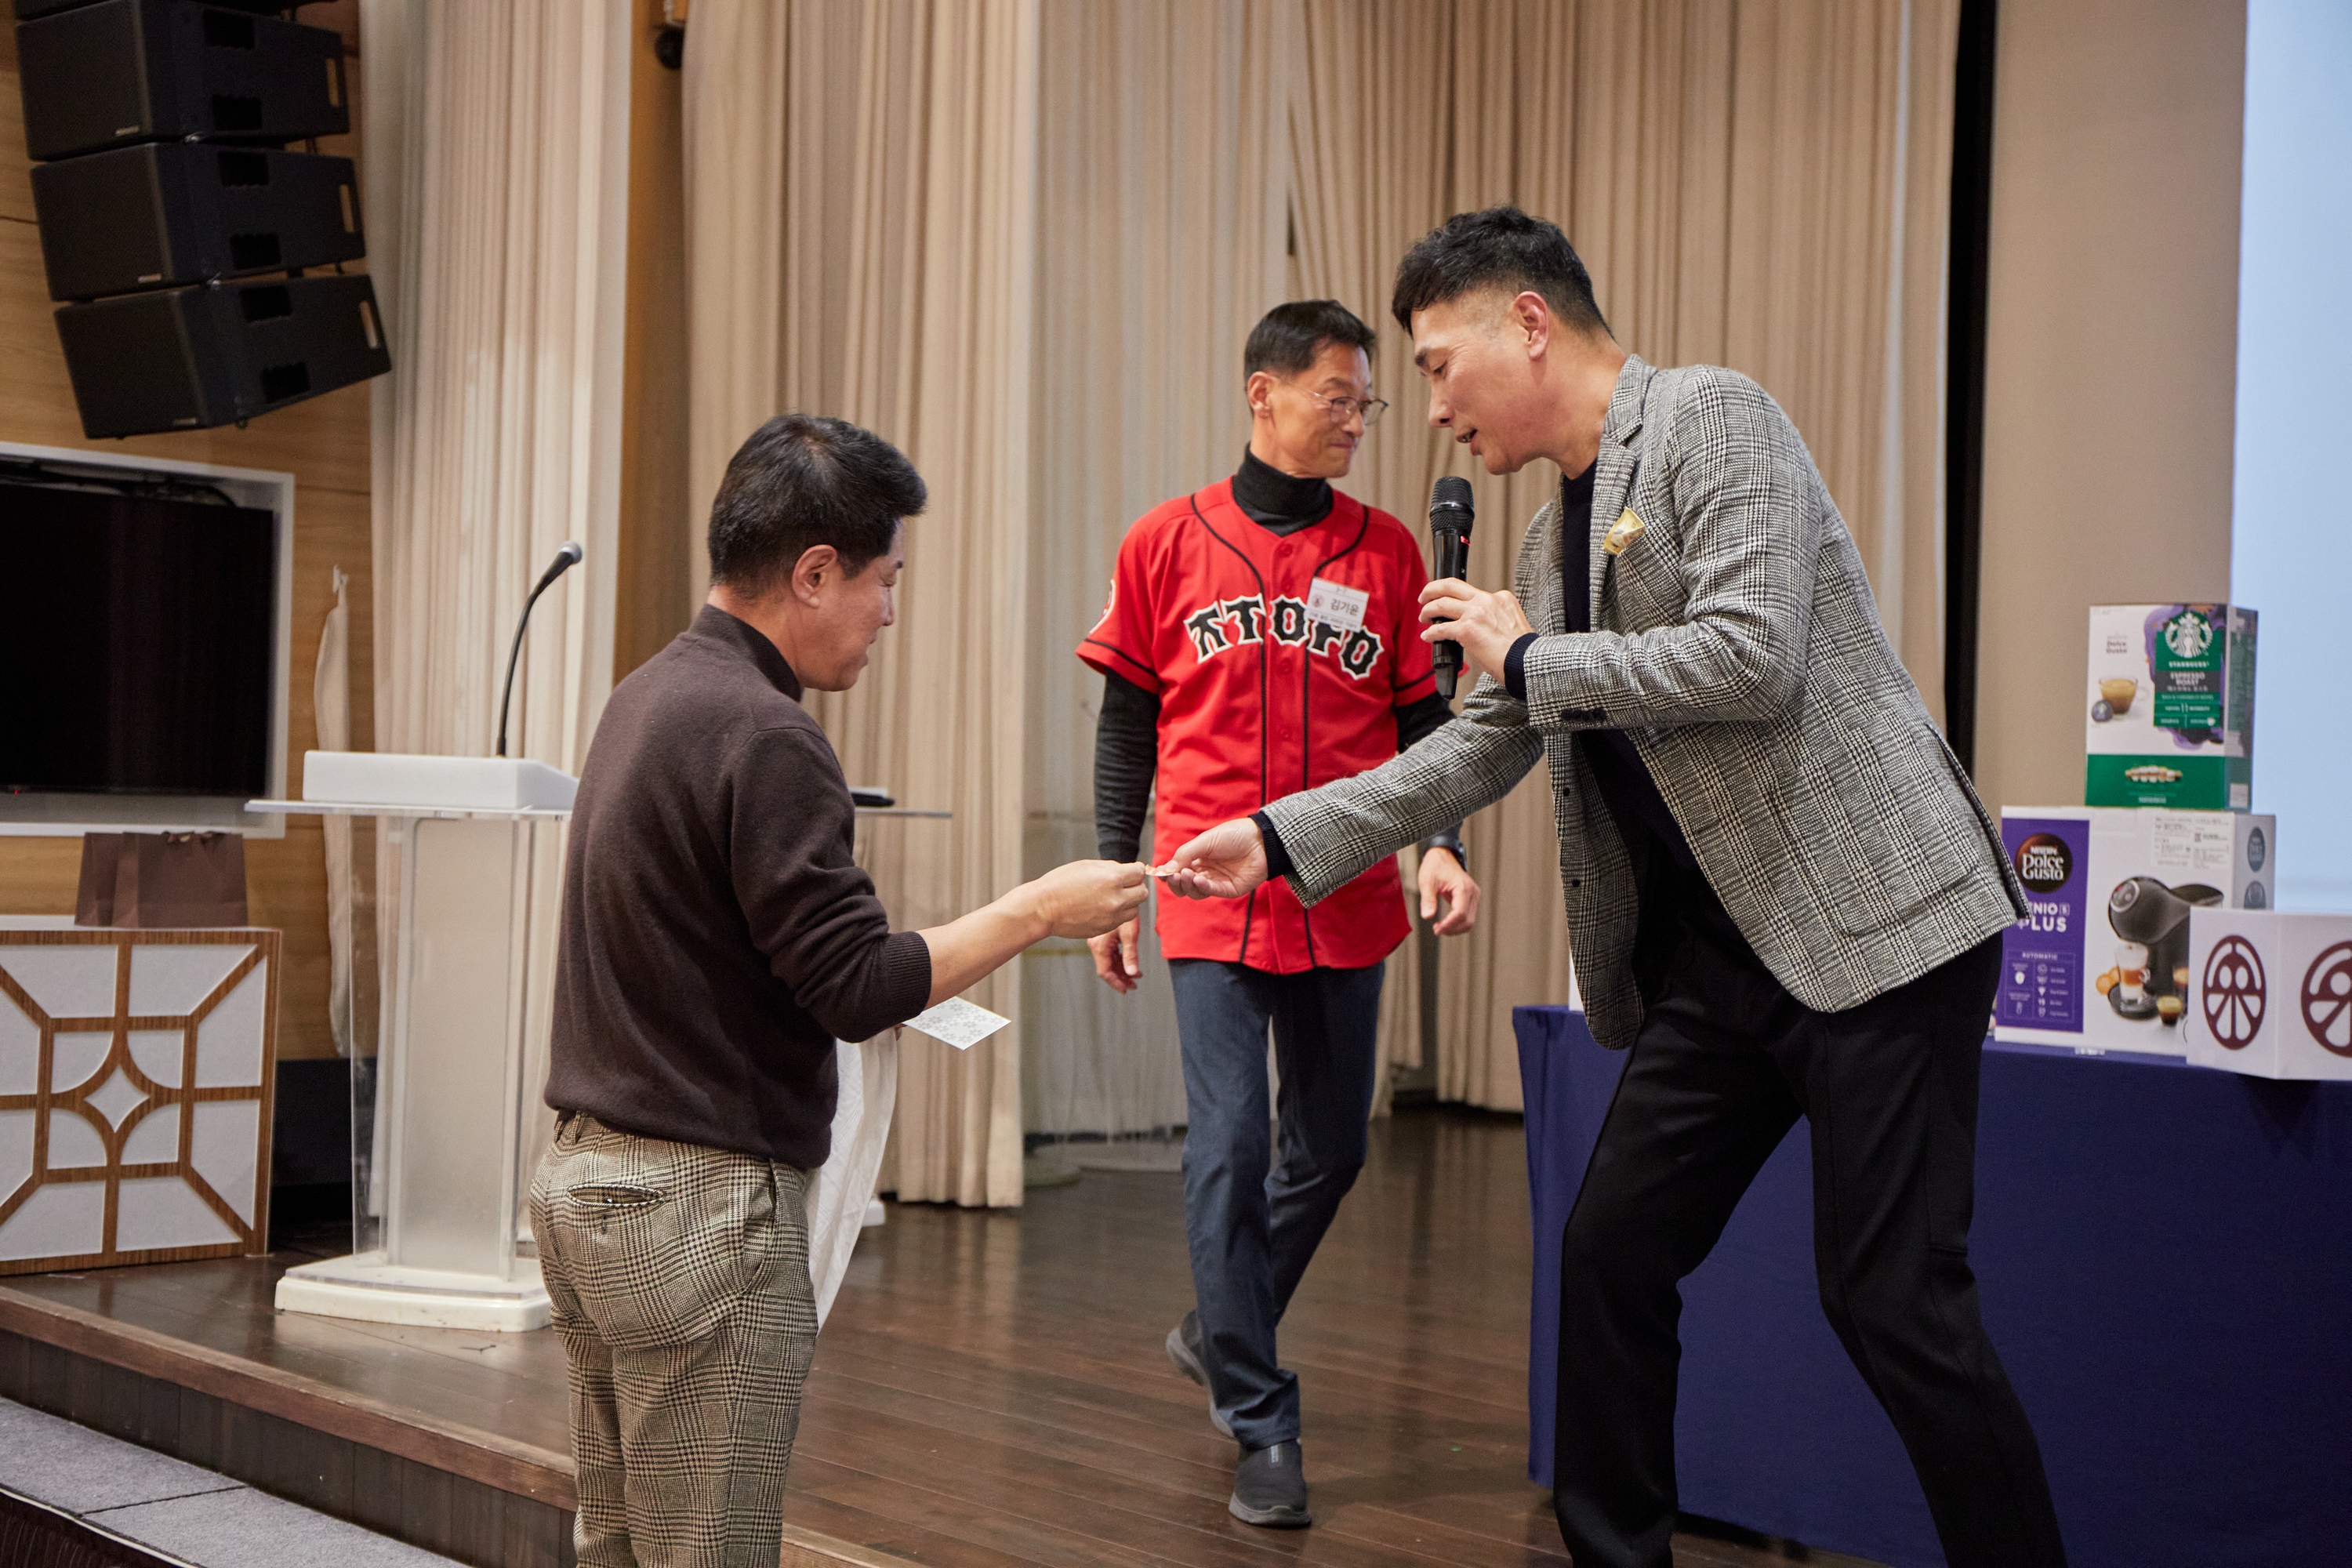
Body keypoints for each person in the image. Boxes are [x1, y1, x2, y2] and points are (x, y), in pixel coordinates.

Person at [1160, 210, 2069, 1568]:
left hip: (1877, 930)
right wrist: (1280, 837)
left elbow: (1751, 655)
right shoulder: (1543, 546)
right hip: (1721, 959)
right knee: (1609, 1253)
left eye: (1437, 364)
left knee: (1894, 1303)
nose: (1430, 407)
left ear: (1529, 323)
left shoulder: (1713, 420)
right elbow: (1482, 741)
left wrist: (1531, 660)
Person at [534, 414, 1149, 1568]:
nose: (890, 613)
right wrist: (1037, 909)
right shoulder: (767, 734)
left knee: (616, 1548)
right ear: (814, 573)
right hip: (695, 1215)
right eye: (885, 580)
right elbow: (855, 986)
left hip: (584, 1186)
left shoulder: (647, 694)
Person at [1079, 299, 1483, 1530]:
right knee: (1229, 1148)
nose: (1357, 419)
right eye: (1336, 396)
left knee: (1334, 1150)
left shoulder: (1389, 552)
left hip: (1346, 892)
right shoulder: (1165, 542)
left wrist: (1443, 843)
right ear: (1263, 394)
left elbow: (1424, 725)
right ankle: (1261, 1417)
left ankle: (1219, 1327)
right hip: (1210, 892)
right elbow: (1127, 729)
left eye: (1367, 401)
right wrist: (1111, 882)